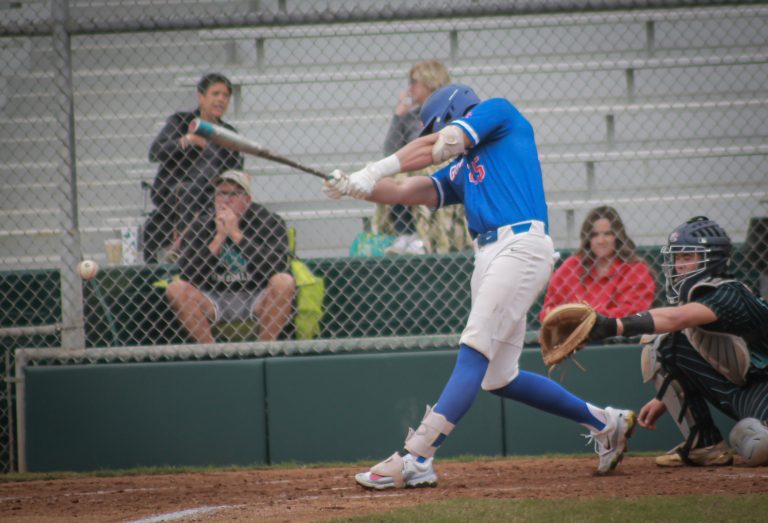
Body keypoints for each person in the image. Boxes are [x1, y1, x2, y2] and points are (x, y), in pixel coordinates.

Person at [324, 83, 637, 489]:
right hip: (488, 255)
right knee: (499, 377)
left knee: (474, 348)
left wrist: (374, 169)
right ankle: (606, 423)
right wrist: (355, 187)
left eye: (438, 129)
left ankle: (418, 456)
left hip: (520, 245)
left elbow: (439, 145)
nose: (436, 138)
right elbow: (406, 191)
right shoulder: (461, 166)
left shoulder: (497, 113)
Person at [586, 216, 768, 467]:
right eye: (677, 258)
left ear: (712, 259)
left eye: (687, 257)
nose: (679, 265)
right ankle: (703, 445)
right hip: (741, 390)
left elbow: (677, 317)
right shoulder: (696, 295)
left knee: (755, 442)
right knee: (664, 342)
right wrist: (665, 398)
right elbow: (683, 337)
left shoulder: (729, 292)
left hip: (763, 390)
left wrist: (614, 325)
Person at [166, 170, 295, 343]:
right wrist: (219, 238)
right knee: (176, 288)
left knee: (283, 282)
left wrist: (235, 234)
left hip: (256, 294)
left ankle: (264, 348)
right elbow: (188, 275)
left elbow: (276, 266)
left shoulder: (269, 221)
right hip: (213, 297)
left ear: (247, 200)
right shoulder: (200, 226)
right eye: (221, 193)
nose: (226, 199)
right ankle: (211, 352)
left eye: (234, 194)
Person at [143, 72, 244, 263]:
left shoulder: (228, 133)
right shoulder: (181, 122)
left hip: (211, 196)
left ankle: (180, 247)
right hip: (175, 191)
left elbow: (235, 171)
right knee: (189, 191)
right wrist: (187, 140)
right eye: (215, 94)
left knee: (207, 196)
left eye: (225, 96)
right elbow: (155, 152)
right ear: (201, 96)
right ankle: (180, 249)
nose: (221, 99)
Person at [375, 59, 471, 255]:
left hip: (445, 172)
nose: (409, 88)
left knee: (421, 172)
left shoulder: (453, 112)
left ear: (430, 82)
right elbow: (390, 152)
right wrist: (399, 114)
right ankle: (409, 235)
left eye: (413, 82)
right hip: (414, 174)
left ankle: (431, 237)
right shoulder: (411, 117)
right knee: (392, 175)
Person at [539, 205, 656, 322]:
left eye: (607, 234)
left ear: (618, 236)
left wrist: (586, 317)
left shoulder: (635, 270)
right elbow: (548, 311)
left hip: (617, 336)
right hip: (572, 335)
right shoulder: (571, 266)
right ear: (588, 238)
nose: (601, 241)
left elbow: (633, 313)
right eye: (594, 235)